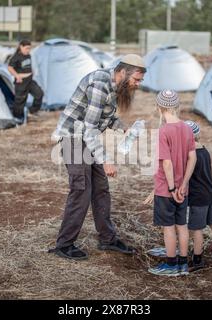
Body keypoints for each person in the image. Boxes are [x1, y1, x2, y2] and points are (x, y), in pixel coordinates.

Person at [49, 54, 146, 260]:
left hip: (85, 138)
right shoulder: (99, 83)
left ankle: (107, 239)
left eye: (140, 81)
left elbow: (107, 117)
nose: (137, 85)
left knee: (101, 188)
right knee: (81, 189)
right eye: (136, 79)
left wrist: (124, 129)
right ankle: (64, 245)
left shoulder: (113, 86)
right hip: (73, 138)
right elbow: (90, 128)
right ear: (122, 72)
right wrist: (105, 160)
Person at [146, 90, 197, 277]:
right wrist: (183, 184)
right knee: (181, 225)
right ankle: (183, 264)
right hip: (183, 189)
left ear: (159, 107)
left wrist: (172, 188)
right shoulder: (187, 128)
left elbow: (166, 163)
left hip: (166, 190)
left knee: (168, 227)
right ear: (176, 106)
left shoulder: (163, 131)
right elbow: (192, 158)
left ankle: (171, 264)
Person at [184, 120, 212, 271]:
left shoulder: (191, 156)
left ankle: (197, 260)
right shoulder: (204, 150)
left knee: (196, 229)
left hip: (198, 198)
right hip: (210, 193)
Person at [7, 39, 43, 120]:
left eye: (29, 48)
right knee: (20, 101)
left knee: (39, 94)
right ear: (21, 47)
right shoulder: (16, 57)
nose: (28, 50)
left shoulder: (28, 55)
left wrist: (31, 71)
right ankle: (17, 118)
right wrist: (17, 76)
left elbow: (27, 66)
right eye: (26, 48)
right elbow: (10, 68)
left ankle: (32, 111)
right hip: (21, 82)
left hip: (29, 81)